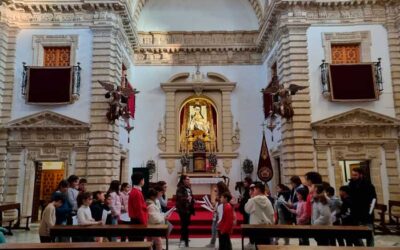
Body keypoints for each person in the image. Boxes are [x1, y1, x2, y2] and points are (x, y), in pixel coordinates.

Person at [348, 167, 377, 246]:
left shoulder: (368, 185)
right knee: (355, 234)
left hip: (366, 212)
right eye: (352, 175)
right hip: (355, 212)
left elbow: (373, 199)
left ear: (361, 175)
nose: (353, 177)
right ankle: (361, 247)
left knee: (369, 233)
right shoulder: (351, 184)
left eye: (355, 175)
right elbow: (350, 197)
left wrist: (371, 206)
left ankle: (370, 248)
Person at [245, 182, 274, 247]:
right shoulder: (267, 200)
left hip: (256, 227)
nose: (253, 191)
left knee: (258, 245)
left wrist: (251, 198)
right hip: (266, 227)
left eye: (254, 190)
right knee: (266, 246)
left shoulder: (253, 200)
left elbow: (247, 209)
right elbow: (271, 214)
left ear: (258, 190)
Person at [302, 171, 323, 245]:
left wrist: (315, 222)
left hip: (318, 221)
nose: (305, 182)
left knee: (322, 241)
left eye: (306, 179)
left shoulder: (318, 192)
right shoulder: (311, 191)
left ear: (310, 180)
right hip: (313, 219)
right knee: (318, 240)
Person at [176, 175, 195, 247]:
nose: (189, 180)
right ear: (183, 180)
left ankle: (184, 237)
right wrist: (187, 198)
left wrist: (193, 199)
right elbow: (180, 198)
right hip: (183, 209)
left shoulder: (188, 187)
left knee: (186, 224)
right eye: (187, 179)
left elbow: (190, 196)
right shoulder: (180, 188)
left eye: (189, 179)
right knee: (184, 225)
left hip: (188, 208)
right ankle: (184, 240)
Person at [128, 172, 148, 241]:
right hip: (138, 221)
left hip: (135, 220)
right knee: (138, 241)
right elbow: (139, 210)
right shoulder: (137, 192)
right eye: (143, 179)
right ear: (141, 180)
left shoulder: (134, 191)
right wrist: (144, 222)